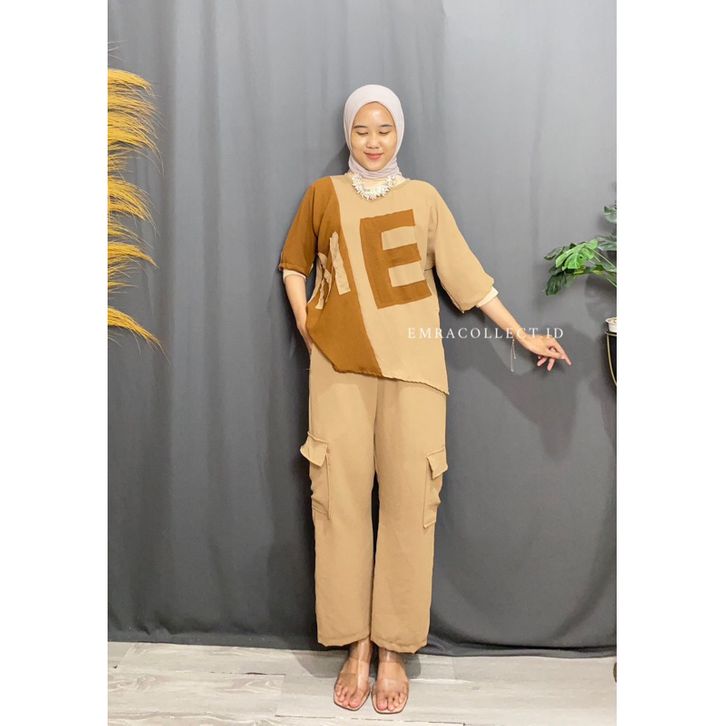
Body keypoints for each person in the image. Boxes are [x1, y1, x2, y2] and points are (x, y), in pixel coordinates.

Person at [278, 83, 571, 714]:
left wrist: (523, 335)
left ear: (399, 133)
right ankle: (355, 646)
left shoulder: (425, 199)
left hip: (416, 374)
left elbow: (468, 279)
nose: (373, 141)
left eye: (384, 129)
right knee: (338, 505)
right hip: (338, 372)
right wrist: (307, 322)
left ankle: (393, 650)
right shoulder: (322, 195)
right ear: (348, 133)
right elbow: (293, 263)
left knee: (411, 509)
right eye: (362, 130)